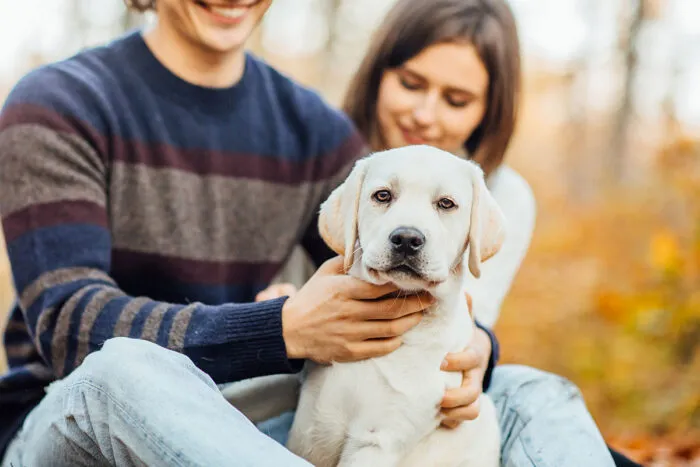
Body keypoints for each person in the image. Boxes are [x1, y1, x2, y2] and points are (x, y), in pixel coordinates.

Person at [0, 0, 501, 466]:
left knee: (527, 391)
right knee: (123, 370)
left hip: (237, 416)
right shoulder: (57, 103)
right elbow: (70, 326)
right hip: (73, 418)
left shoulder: (313, 128)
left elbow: (391, 254)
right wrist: (279, 330)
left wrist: (474, 347)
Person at [258, 0, 626, 465]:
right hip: (300, 386)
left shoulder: (500, 194)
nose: (425, 115)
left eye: (456, 100)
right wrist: (271, 318)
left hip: (423, 392)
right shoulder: (325, 154)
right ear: (378, 73)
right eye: (411, 84)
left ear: (488, 111)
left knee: (542, 392)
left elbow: (471, 323)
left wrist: (480, 351)